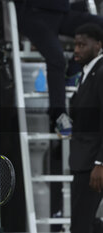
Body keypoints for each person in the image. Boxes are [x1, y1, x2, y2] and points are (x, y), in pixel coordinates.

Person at [14, 0, 103, 137]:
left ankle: (75, 74)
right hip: (33, 13)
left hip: (61, 11)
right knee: (57, 58)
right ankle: (58, 115)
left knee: (98, 23)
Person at [69, 23, 103, 233]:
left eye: (83, 44)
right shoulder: (87, 72)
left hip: (93, 164)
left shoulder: (100, 73)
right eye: (75, 44)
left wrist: (100, 162)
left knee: (80, 226)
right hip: (84, 161)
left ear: (99, 45)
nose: (77, 50)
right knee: (87, 224)